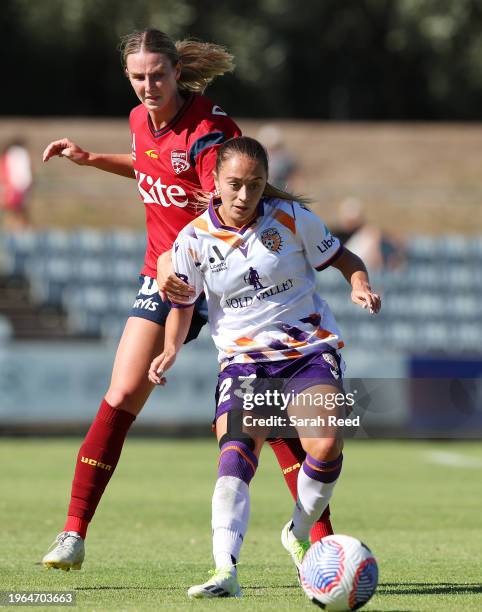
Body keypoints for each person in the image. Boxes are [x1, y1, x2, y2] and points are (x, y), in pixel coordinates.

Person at [40, 28, 333, 571]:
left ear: (177, 72)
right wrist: (90, 159)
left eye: (157, 75)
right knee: (123, 390)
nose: (148, 85)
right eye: (137, 76)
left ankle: (318, 538)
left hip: (220, 278)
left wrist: (181, 266)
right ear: (126, 76)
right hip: (164, 275)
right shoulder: (138, 121)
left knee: (264, 411)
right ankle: (73, 533)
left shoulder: (210, 133)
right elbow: (151, 165)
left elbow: (218, 212)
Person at [148, 136, 381, 598]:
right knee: (235, 452)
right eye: (234, 184)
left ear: (265, 184)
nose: (243, 195)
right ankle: (224, 571)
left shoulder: (292, 220)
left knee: (328, 442)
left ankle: (296, 531)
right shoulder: (193, 239)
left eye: (254, 185)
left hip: (307, 352)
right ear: (214, 183)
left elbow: (345, 258)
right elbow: (182, 300)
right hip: (244, 362)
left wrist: (360, 283)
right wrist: (171, 347)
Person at [0, 138, 32, 230]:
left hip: (12, 189)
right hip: (17, 189)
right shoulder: (20, 154)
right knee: (17, 213)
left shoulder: (10, 155)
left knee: (13, 213)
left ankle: (15, 232)